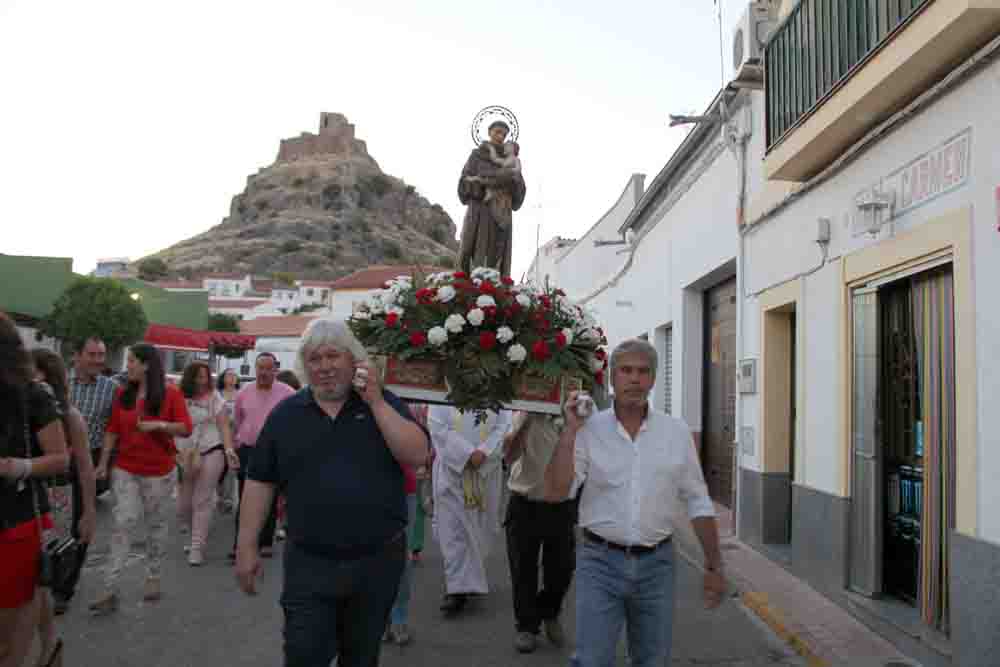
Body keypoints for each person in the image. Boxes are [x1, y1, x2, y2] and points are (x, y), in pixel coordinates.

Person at [235, 318, 429, 667]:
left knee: (361, 657)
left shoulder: (382, 402)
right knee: (303, 653)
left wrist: (377, 404)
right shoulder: (286, 414)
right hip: (309, 563)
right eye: (314, 358)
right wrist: (246, 547)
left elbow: (417, 454)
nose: (324, 367)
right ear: (304, 366)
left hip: (376, 562)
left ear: (353, 359)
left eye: (333, 356)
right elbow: (260, 481)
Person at [544, 339, 727, 667]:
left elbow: (698, 501)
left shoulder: (675, 432)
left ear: (653, 378)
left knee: (652, 660)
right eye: (626, 370)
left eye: (643, 371)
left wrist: (714, 566)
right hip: (599, 563)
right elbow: (557, 492)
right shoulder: (588, 429)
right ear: (612, 378)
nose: (634, 379)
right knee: (592, 660)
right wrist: (569, 432)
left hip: (657, 566)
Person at [89, 343, 192, 614]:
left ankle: (153, 575)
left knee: (155, 525)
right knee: (122, 523)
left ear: (147, 365)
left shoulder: (170, 394)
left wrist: (159, 424)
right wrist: (103, 463)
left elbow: (185, 428)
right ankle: (109, 588)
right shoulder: (123, 393)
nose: (128, 366)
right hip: (125, 468)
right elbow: (112, 429)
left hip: (159, 471)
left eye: (133, 361)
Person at [0, 312, 70, 667]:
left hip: (13, 524)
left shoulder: (31, 395)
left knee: (7, 640)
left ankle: (46, 648)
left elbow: (61, 458)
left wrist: (18, 467)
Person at [30, 349, 98, 664]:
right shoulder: (20, 410)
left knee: (41, 574)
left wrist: (89, 513)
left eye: (31, 371)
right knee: (35, 580)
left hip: (58, 499)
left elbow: (85, 467)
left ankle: (47, 644)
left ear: (45, 375)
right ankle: (47, 644)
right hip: (24, 500)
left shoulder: (69, 417)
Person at [502, 412, 578, 653]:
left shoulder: (579, 409)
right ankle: (526, 626)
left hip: (562, 505)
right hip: (525, 501)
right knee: (522, 568)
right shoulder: (524, 411)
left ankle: (549, 611)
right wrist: (525, 422)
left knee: (562, 569)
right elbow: (508, 456)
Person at [429, 405, 512, 616]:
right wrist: (466, 453)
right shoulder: (443, 392)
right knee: (453, 530)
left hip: (486, 471)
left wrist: (484, 452)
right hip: (451, 471)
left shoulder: (497, 392)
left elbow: (504, 424)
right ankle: (456, 589)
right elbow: (437, 426)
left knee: (480, 528)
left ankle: (470, 578)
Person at [59, 337, 116, 614]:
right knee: (51, 521)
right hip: (56, 456)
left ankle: (64, 588)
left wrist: (105, 462)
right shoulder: (60, 384)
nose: (98, 360)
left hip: (89, 459)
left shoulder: (110, 388)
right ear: (77, 356)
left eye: (101, 355)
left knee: (82, 521)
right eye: (92, 354)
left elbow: (114, 429)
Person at [230, 353, 295, 560]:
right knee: (245, 498)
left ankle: (266, 541)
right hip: (248, 449)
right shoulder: (244, 392)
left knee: (270, 496)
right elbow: (237, 421)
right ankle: (239, 545)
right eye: (261, 368)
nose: (264, 372)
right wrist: (234, 447)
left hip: (275, 451)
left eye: (268, 368)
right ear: (255, 369)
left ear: (275, 370)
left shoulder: (288, 393)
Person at [176, 361, 235, 566]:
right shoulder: (178, 397)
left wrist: (229, 450)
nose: (202, 381)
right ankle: (193, 535)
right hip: (185, 454)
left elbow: (224, 426)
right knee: (184, 504)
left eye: (205, 377)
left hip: (212, 450)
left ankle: (197, 546)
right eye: (198, 376)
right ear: (190, 378)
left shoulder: (215, 398)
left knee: (202, 499)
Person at [457, 120, 526, 277]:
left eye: (504, 134)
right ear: (489, 132)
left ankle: (493, 283)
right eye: (497, 132)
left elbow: (520, 187)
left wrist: (511, 182)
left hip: (502, 209)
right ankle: (468, 280)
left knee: (497, 250)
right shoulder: (477, 155)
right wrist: (485, 183)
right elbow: (464, 181)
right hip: (480, 207)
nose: (500, 136)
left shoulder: (511, 158)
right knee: (472, 245)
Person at [216, 368, 241, 515]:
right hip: (218, 437)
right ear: (223, 378)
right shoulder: (217, 395)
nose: (232, 377)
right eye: (229, 375)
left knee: (231, 469)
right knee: (219, 468)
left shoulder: (241, 394)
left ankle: (228, 500)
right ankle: (220, 496)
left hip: (236, 438)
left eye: (234, 375)